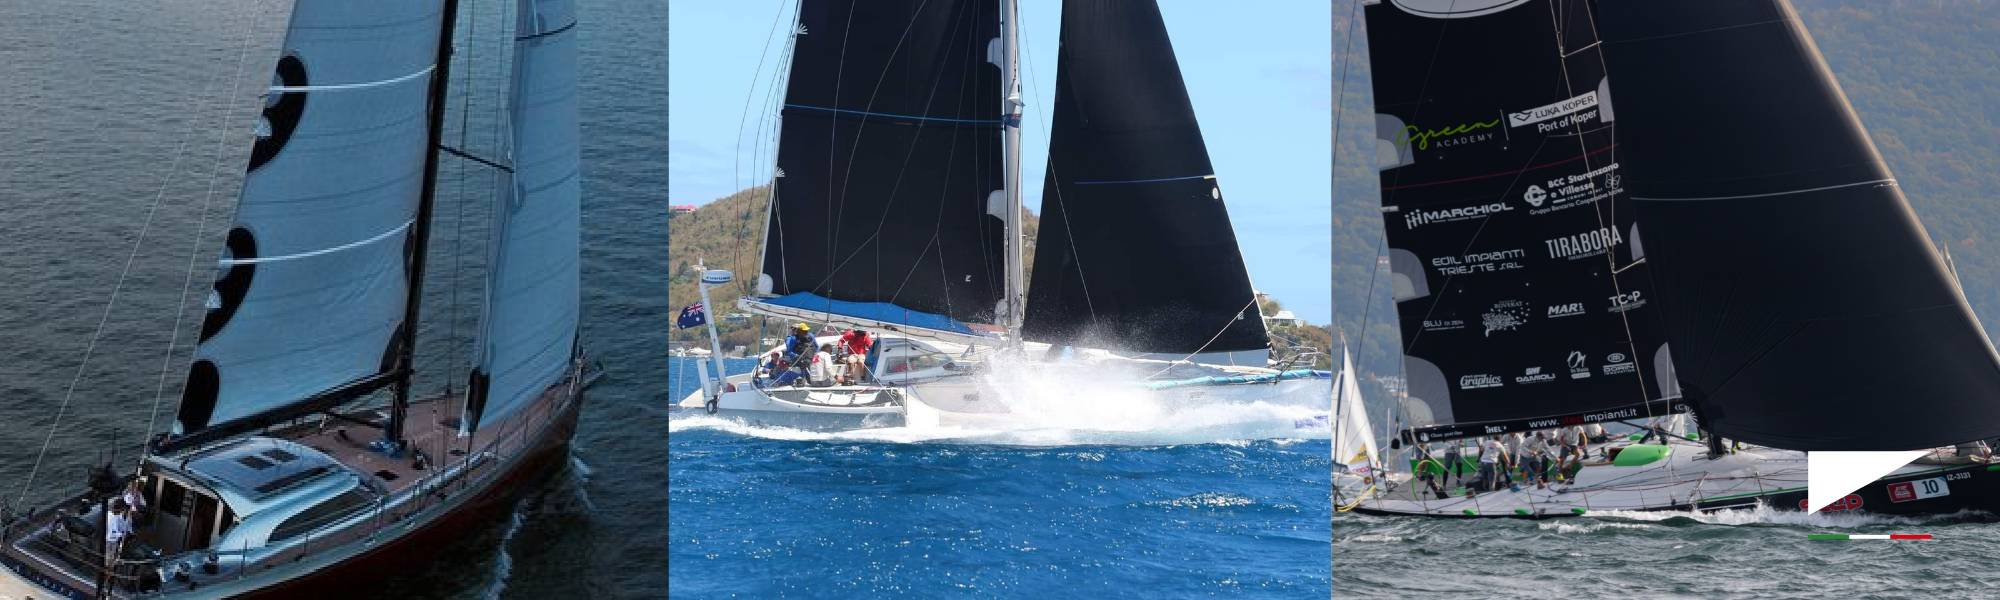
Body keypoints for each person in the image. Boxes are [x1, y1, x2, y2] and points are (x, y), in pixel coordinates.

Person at [105, 498, 134, 568]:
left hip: (117, 540)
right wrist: (122, 535)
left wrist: (129, 532)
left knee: (115, 555)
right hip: (109, 540)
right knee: (108, 558)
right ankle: (109, 567)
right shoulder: (110, 516)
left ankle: (113, 564)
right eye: (122, 509)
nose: (123, 511)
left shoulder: (120, 516)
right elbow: (112, 532)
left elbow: (125, 526)